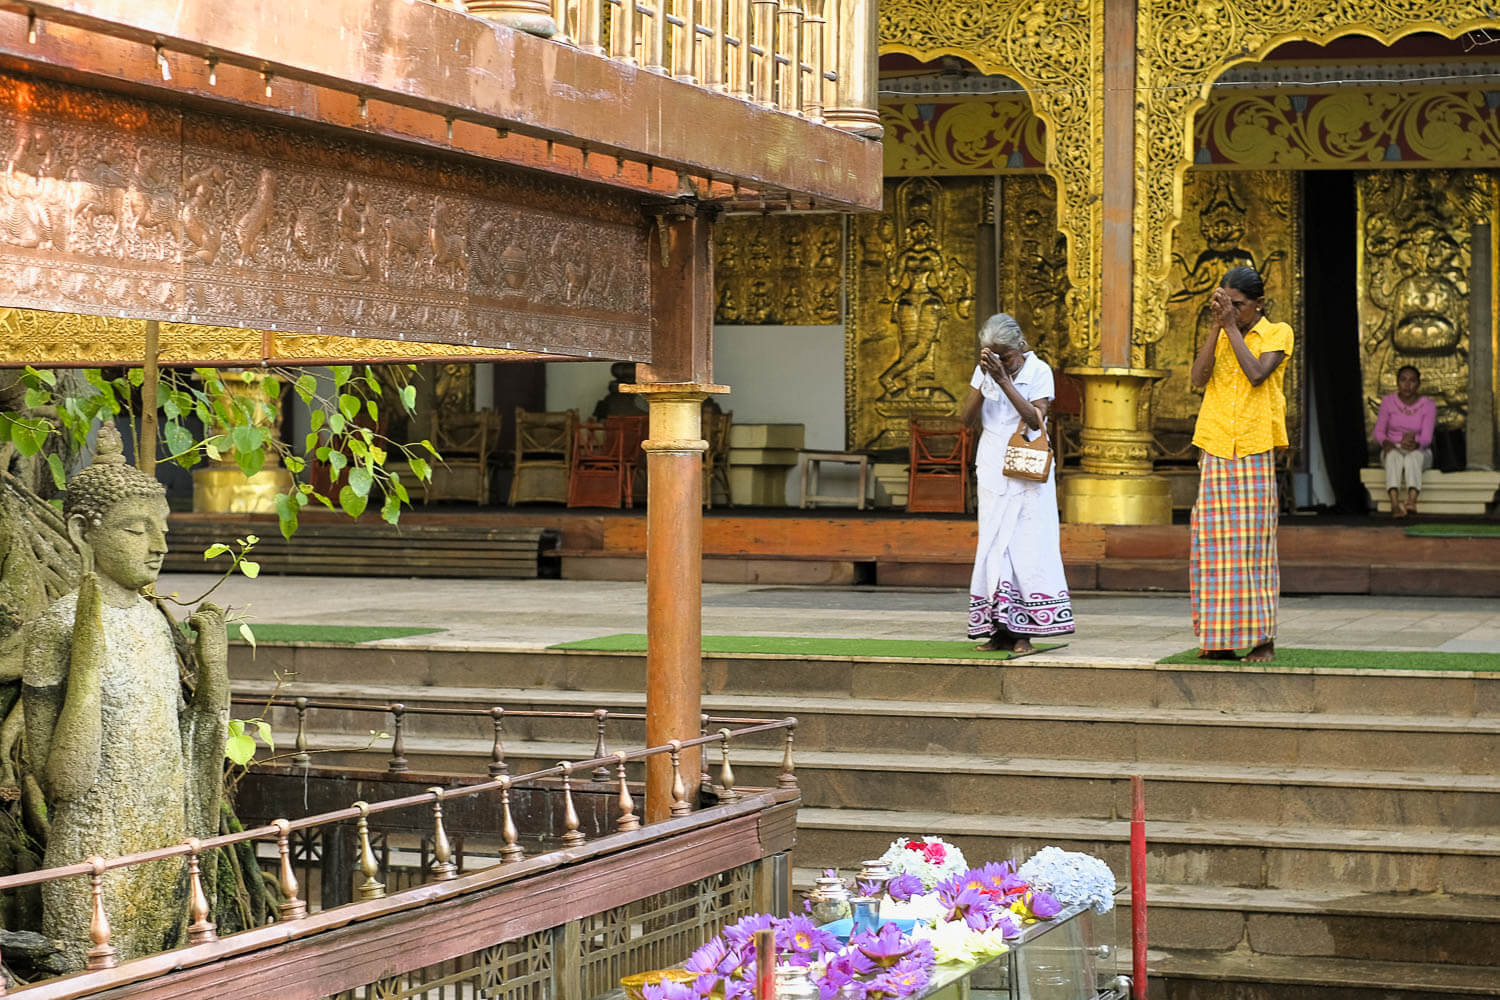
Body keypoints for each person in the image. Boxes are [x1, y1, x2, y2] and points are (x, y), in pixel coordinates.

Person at [22, 426, 228, 968]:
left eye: (161, 529)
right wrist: (87, 669)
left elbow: (185, 742)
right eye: (136, 531)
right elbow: (63, 780)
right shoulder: (59, 625)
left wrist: (213, 676)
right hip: (98, 852)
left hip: (163, 839)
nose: (159, 546)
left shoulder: (155, 623)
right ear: (81, 532)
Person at [1188, 266, 1293, 663]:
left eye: (1239, 305)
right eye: (1226, 304)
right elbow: (1198, 379)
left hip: (1253, 445)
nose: (1232, 310)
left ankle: (1262, 639)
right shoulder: (1222, 330)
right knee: (1211, 546)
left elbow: (1256, 374)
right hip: (1215, 443)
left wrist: (1232, 328)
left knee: (1252, 546)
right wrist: (1217, 327)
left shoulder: (1277, 332)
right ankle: (1218, 638)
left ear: (1258, 304)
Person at [960, 313, 1074, 653]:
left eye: (1006, 357)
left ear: (1021, 347)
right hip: (994, 467)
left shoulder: (1040, 371)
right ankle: (998, 630)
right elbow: (965, 420)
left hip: (1028, 472)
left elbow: (1034, 419)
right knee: (995, 546)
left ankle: (1023, 632)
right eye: (995, 357)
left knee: (1026, 547)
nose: (1002, 363)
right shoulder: (986, 372)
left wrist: (1005, 381)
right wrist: (985, 378)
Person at [1372, 365, 1435, 517]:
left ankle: (1411, 501)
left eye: (1412, 381)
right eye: (1403, 380)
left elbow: (1427, 437)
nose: (1407, 385)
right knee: (1393, 456)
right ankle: (1394, 505)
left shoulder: (1428, 405)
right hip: (1393, 447)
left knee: (1414, 457)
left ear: (1418, 384)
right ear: (1397, 382)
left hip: (1420, 449)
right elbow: (1379, 432)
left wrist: (1416, 443)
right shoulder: (1388, 402)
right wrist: (1386, 443)